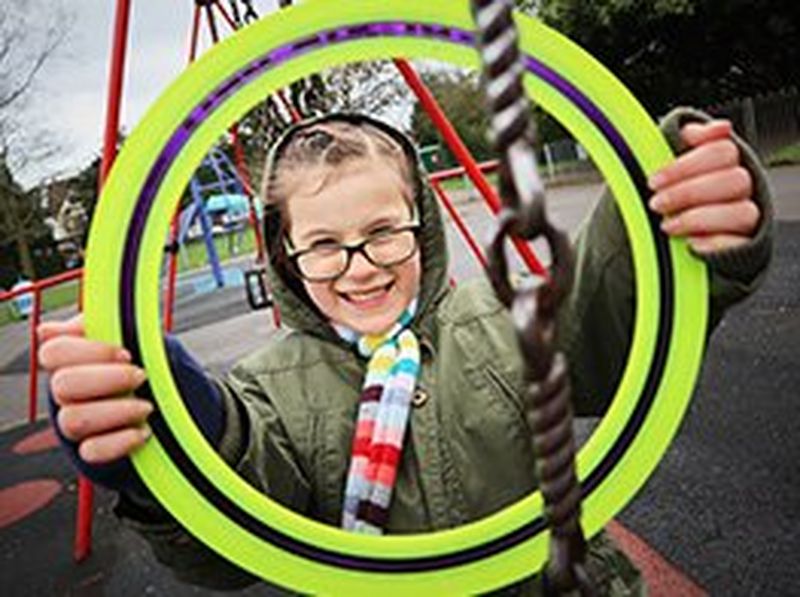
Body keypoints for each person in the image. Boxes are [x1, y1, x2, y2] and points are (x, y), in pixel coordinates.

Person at [38, 110, 772, 594]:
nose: (360, 265)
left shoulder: (502, 314)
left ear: (418, 224)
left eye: (382, 230)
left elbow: (603, 328)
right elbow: (237, 532)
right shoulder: (269, 389)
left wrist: (665, 208)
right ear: (287, 257)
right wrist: (169, 437)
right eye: (323, 244)